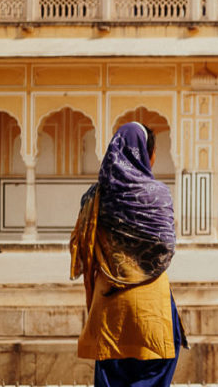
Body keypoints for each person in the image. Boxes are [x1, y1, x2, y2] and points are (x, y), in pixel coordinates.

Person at [70, 122, 186, 387]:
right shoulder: (158, 194)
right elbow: (167, 247)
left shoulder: (94, 196)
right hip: (151, 302)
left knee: (111, 373)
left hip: (109, 298)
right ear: (146, 154)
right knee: (157, 366)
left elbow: (81, 248)